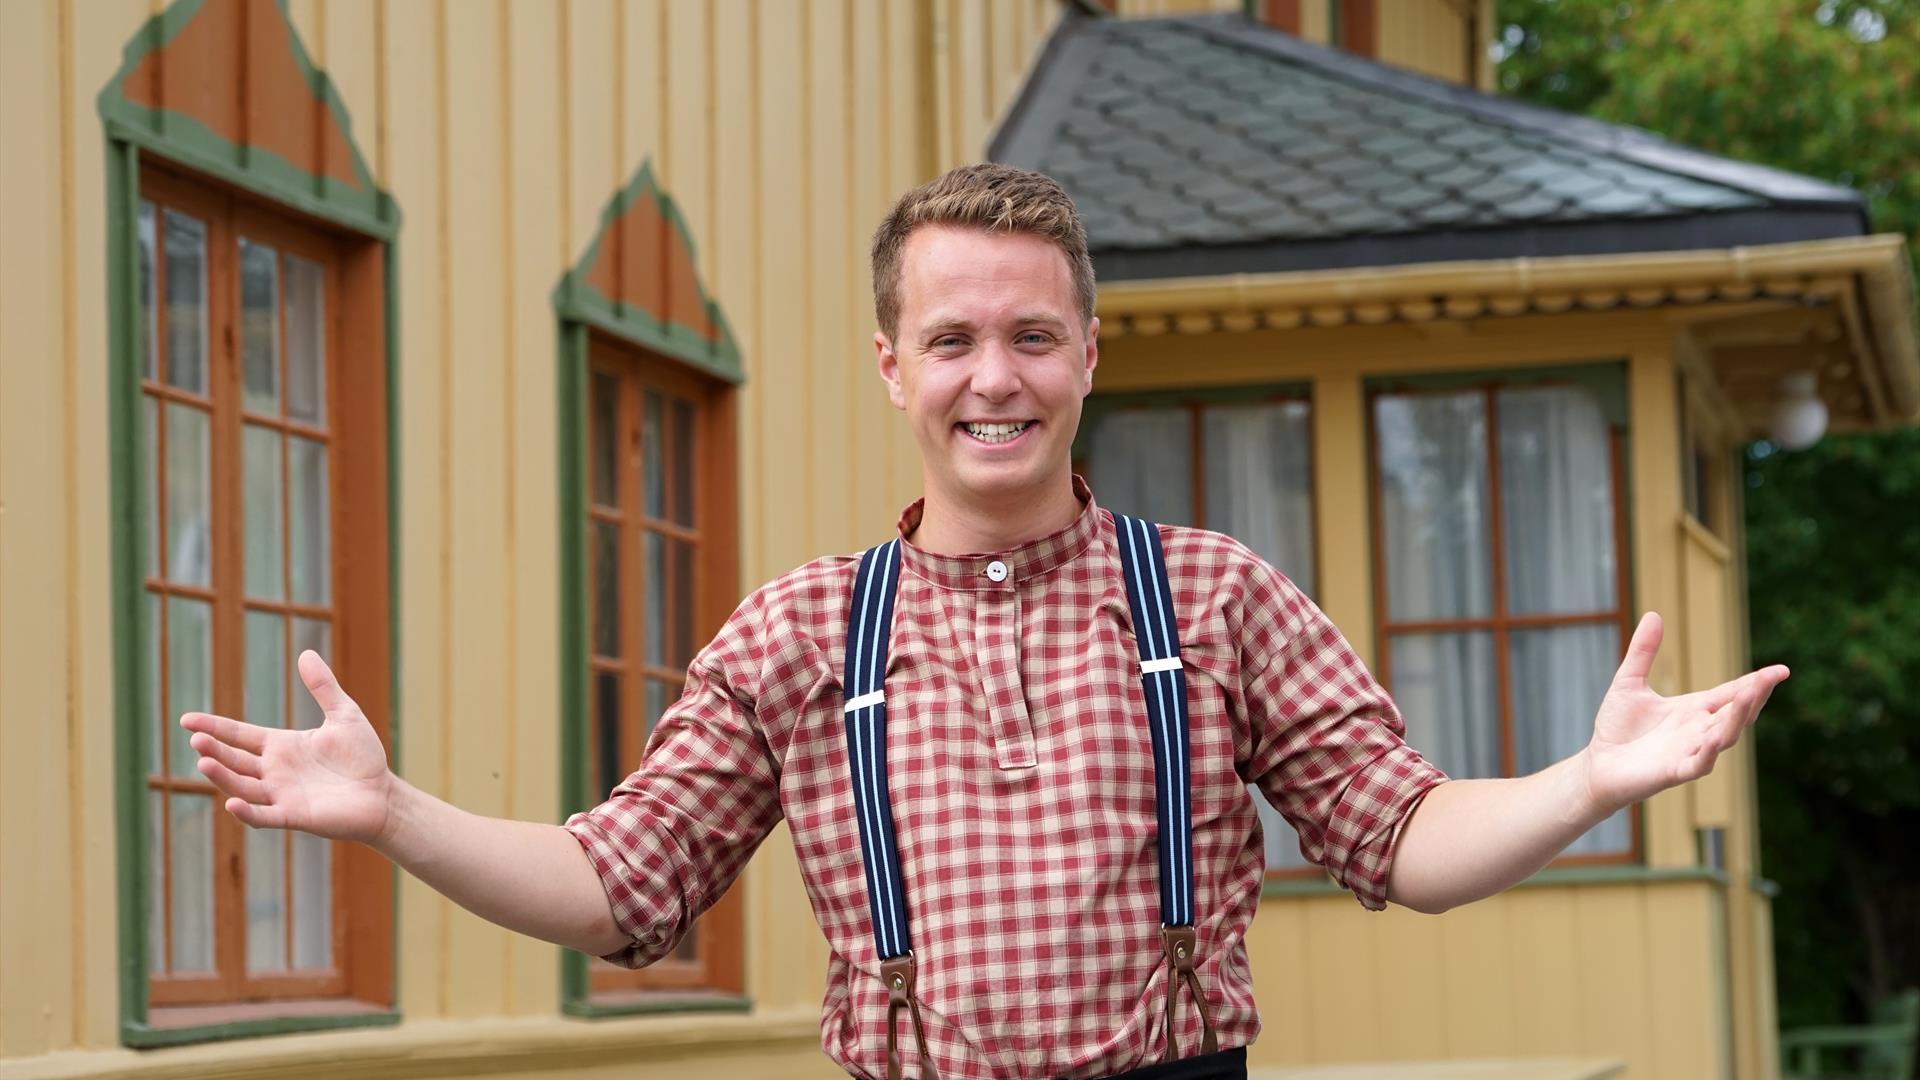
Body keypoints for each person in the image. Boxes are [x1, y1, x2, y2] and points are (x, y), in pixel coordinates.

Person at [181, 163, 1788, 1080]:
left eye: (1032, 336)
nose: (993, 377)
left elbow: (1406, 840)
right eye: (952, 340)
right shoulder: (798, 634)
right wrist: (394, 814)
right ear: (893, 367)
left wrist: (1589, 783)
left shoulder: (1216, 595)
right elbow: (621, 889)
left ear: (1089, 353)